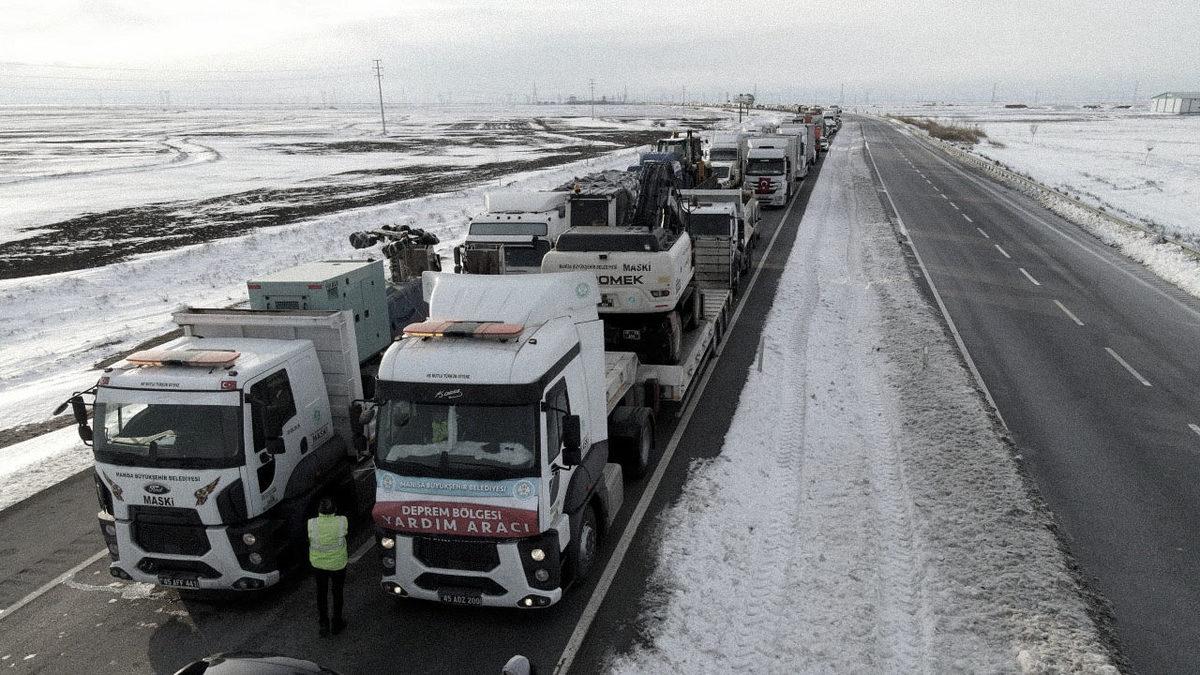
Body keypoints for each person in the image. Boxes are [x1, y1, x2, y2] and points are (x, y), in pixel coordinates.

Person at [308, 497, 348, 636]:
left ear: (319, 511)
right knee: (337, 593)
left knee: (321, 594)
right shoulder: (342, 521)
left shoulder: (311, 524)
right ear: (334, 510)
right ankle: (337, 622)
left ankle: (323, 624)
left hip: (318, 565)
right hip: (338, 564)